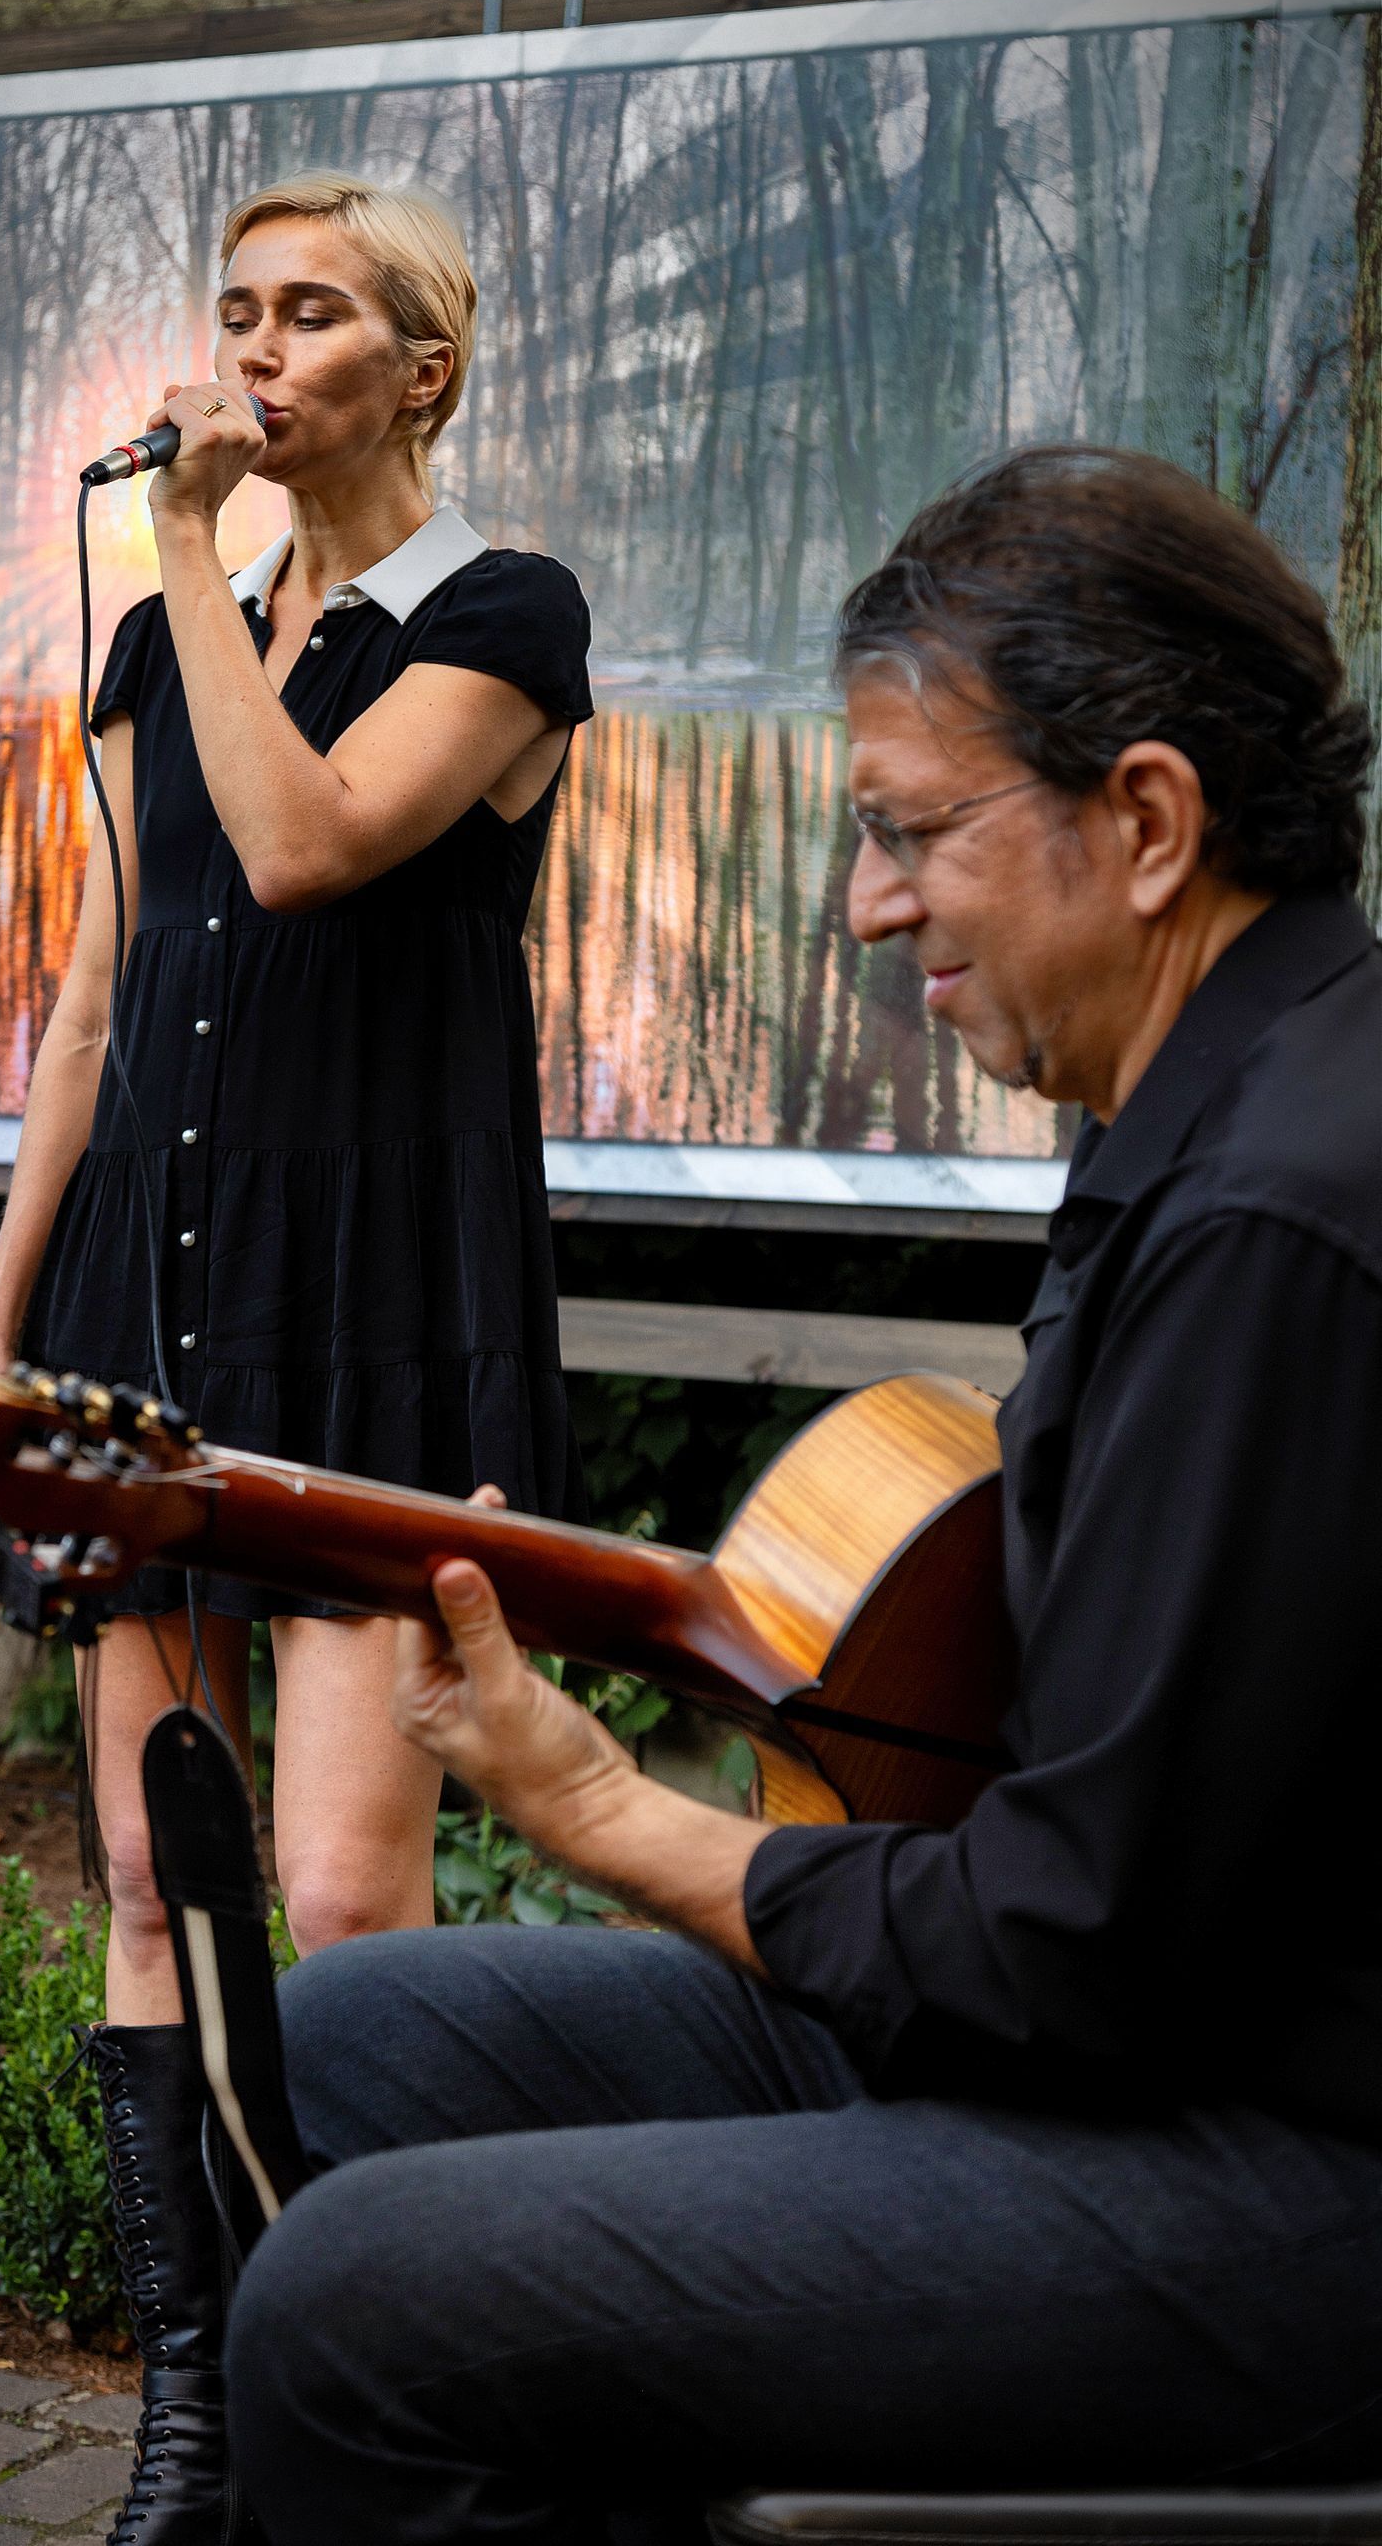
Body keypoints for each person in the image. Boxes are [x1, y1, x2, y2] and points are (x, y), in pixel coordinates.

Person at [222, 444, 1382, 2545]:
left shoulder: (1282, 1217)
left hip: (1284, 2164)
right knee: (362, 2031)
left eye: (912, 833)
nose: (866, 904)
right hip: (1153, 2044)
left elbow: (1074, 1945)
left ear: (1144, 822)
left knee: (346, 2308)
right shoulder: (1239, 1107)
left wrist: (603, 1817)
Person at [0, 169, 591, 2538]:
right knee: (143, 1871)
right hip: (151, 1316)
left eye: (311, 315)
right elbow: (97, 1002)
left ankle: (368, 2421)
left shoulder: (503, 615)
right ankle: (192, 2425)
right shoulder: (172, 646)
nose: (255, 351)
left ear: (417, 368)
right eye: (234, 311)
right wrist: (2, 1334)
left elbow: (314, 842)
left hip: (369, 1321)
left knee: (337, 1900)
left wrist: (182, 583)